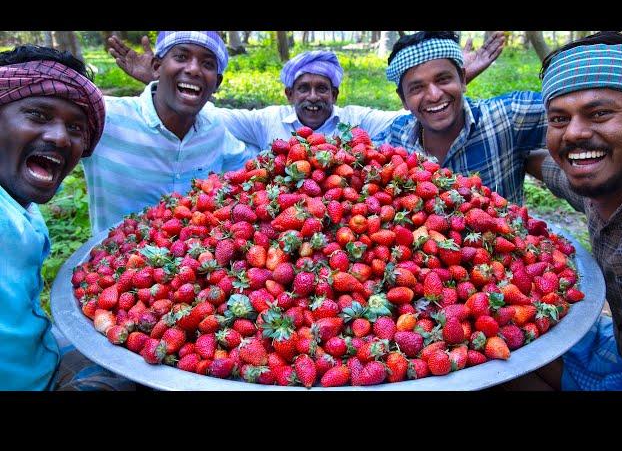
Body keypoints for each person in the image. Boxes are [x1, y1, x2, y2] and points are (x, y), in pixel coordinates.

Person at [107, 32, 505, 151]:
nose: (313, 97)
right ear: (288, 94)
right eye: (303, 88)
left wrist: (455, 79)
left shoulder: (355, 120)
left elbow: (417, 112)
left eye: (322, 89)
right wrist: (162, 83)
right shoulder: (266, 122)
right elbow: (205, 111)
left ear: (334, 94)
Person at [0, 45, 135, 390]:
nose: (60, 137)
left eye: (76, 127)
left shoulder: (22, 211)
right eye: (39, 115)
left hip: (42, 363)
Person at [513, 31, 622, 391]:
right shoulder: (594, 180)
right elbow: (548, 167)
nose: (574, 134)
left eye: (599, 113)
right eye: (558, 119)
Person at [83, 31, 258, 235]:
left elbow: (257, 169)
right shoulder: (107, 118)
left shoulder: (215, 128)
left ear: (216, 84)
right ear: (156, 66)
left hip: (192, 262)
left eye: (207, 64)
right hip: (114, 259)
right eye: (181, 57)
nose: (193, 69)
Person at [376, 31, 547, 205]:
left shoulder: (505, 117)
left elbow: (565, 107)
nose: (434, 95)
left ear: (463, 79)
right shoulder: (393, 139)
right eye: (417, 88)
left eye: (443, 79)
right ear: (403, 99)